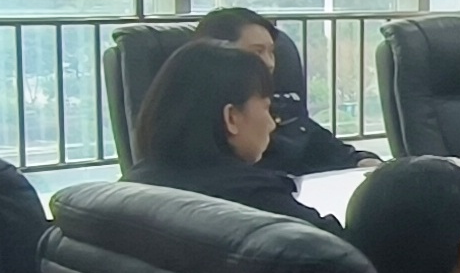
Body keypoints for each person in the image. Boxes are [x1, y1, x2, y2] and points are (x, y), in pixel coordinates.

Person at [128, 39, 340, 228]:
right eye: (266, 108)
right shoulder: (256, 200)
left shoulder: (131, 186)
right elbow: (341, 251)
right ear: (231, 118)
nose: (271, 124)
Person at [192, 8, 375, 176]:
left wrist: (362, 162)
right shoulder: (201, 124)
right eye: (257, 52)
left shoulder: (283, 105)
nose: (269, 63)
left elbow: (330, 149)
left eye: (271, 52)